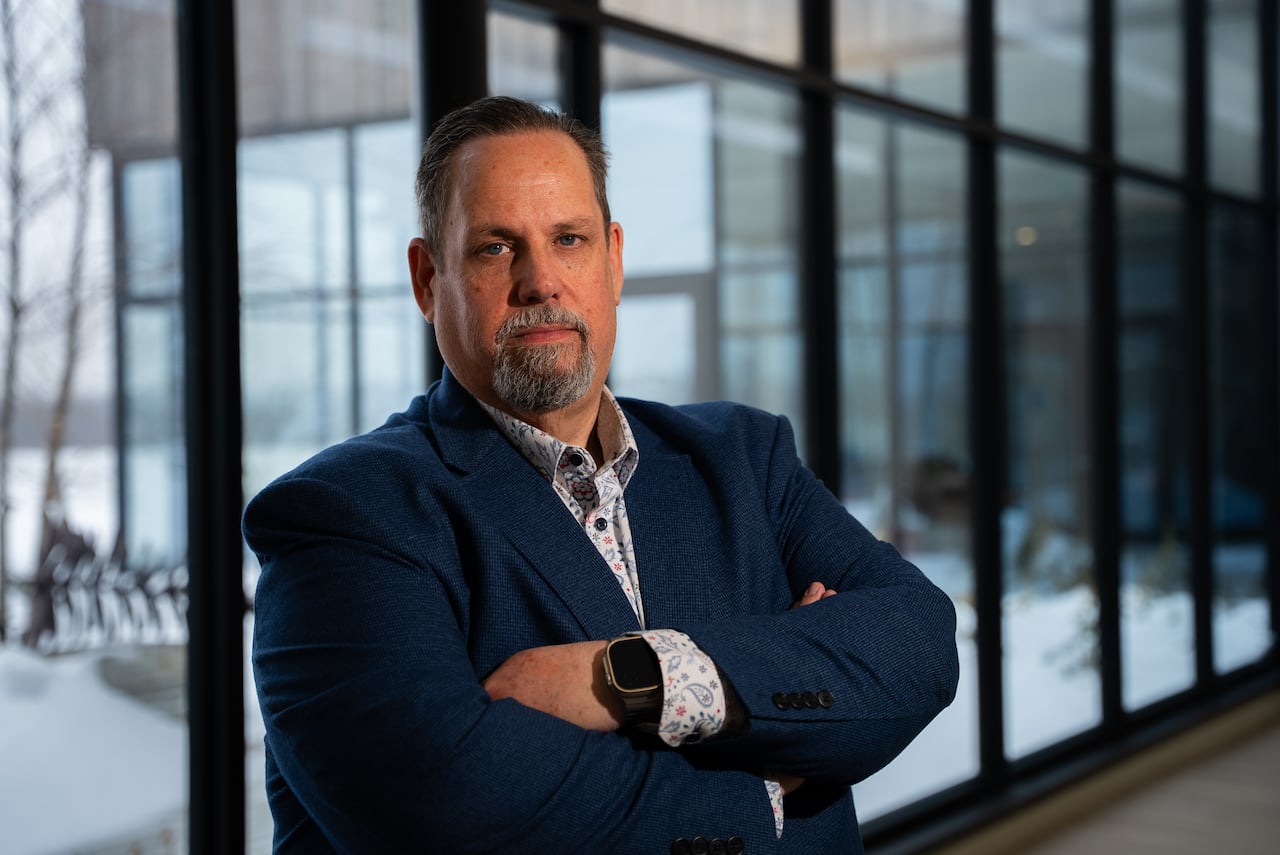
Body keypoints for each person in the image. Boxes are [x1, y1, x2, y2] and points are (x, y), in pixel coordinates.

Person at [244, 95, 959, 854]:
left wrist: (634, 676)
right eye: (495, 247)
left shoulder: (745, 457)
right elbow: (445, 810)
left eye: (569, 239)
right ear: (427, 279)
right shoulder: (344, 514)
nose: (541, 281)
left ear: (613, 260)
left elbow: (917, 645)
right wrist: (769, 781)